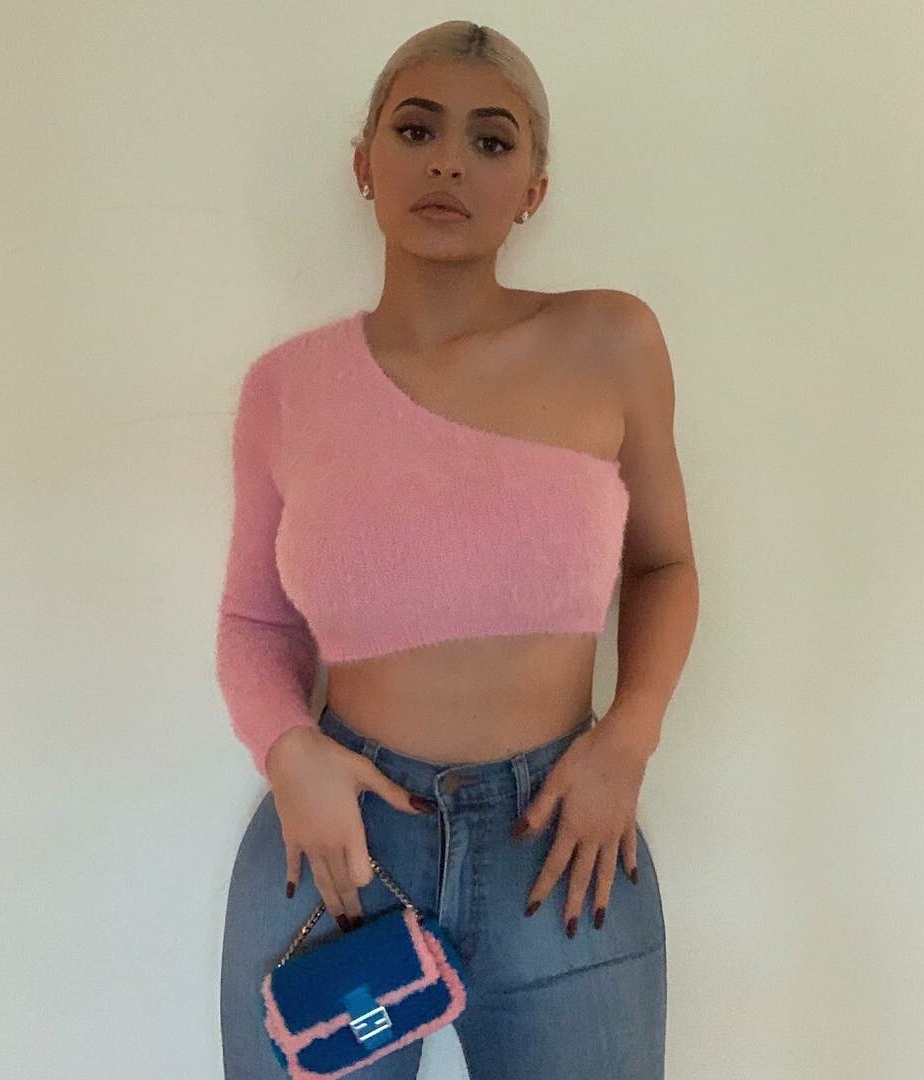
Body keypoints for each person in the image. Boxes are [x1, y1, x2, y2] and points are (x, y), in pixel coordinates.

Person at [216, 19, 698, 1079]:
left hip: (563, 843)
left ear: (532, 188)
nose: (448, 161)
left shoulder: (611, 341)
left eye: (491, 141)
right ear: (364, 163)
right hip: (341, 846)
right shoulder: (287, 389)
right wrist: (289, 751)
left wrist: (628, 740)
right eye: (416, 129)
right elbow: (254, 619)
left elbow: (664, 564)